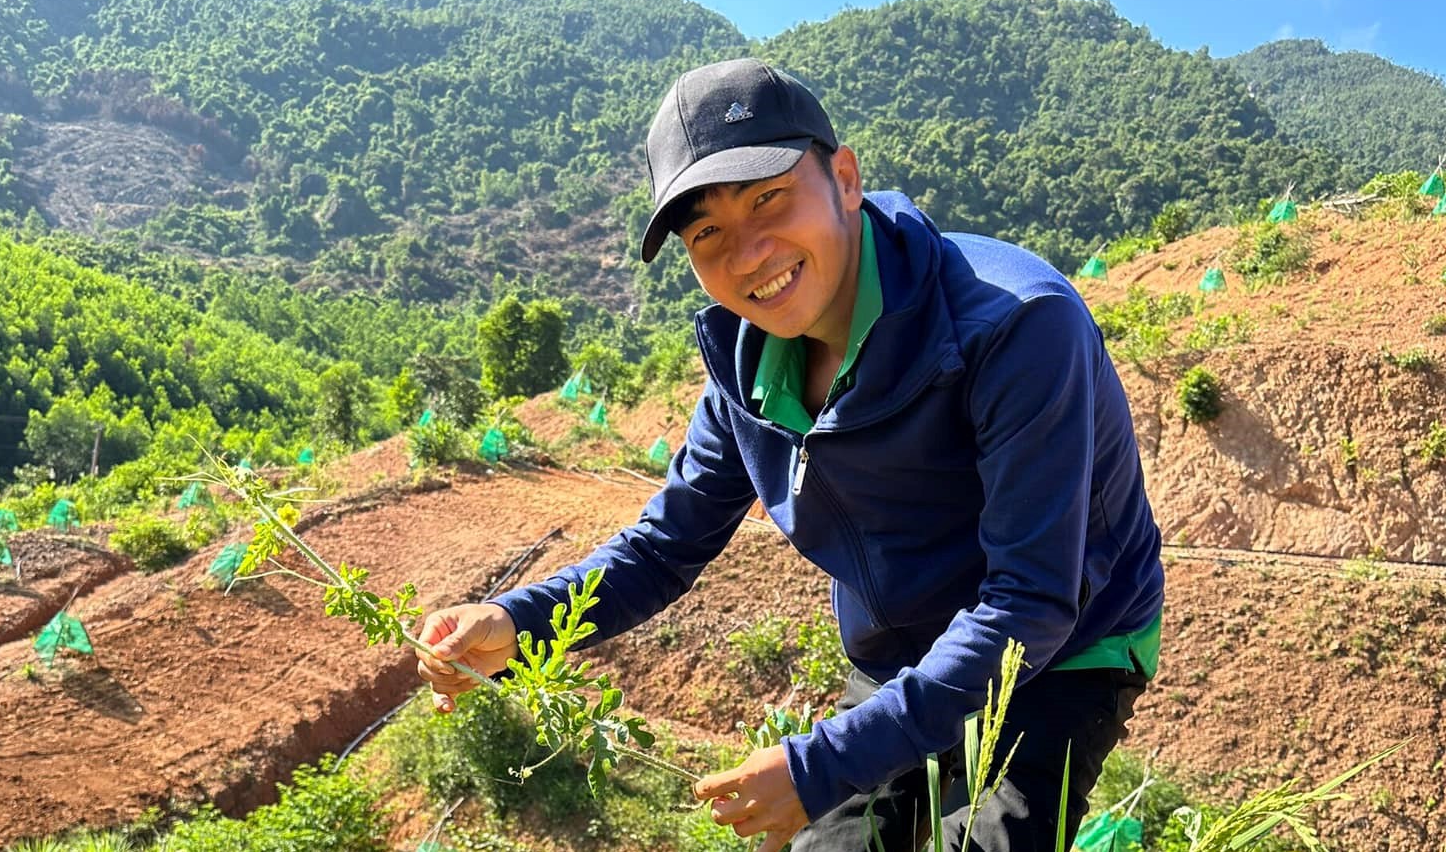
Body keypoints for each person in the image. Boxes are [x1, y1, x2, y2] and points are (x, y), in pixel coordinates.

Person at [416, 57, 1164, 852]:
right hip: (903, 649)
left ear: (845, 179)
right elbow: (664, 547)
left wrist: (822, 764)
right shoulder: (747, 369)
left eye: (767, 197)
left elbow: (1029, 602)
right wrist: (516, 621)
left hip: (1063, 646)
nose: (748, 254)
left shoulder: (1013, 326)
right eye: (707, 233)